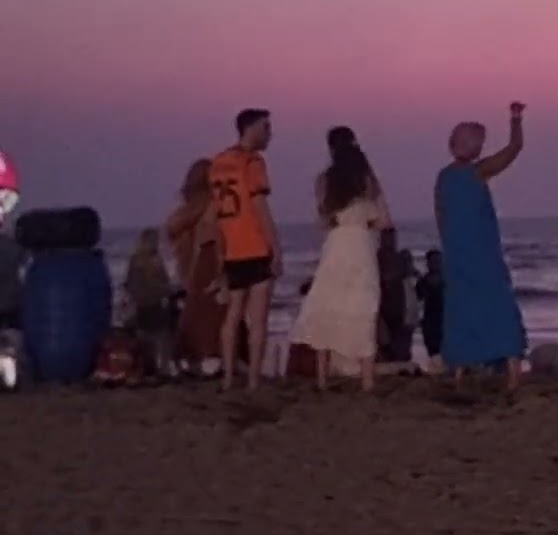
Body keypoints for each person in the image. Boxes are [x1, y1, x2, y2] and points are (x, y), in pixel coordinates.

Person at [436, 102, 528, 391]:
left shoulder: (444, 177)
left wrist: (449, 250)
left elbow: (441, 218)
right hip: (482, 254)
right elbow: (514, 148)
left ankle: (460, 372)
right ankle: (512, 373)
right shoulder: (476, 172)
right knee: (499, 309)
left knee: (462, 312)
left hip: (458, 256)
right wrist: (516, 119)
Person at [290, 142, 391, 392]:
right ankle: (367, 380)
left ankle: (322, 378)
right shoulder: (367, 190)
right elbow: (384, 222)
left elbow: (322, 222)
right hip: (361, 247)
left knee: (326, 305)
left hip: (336, 245)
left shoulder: (329, 190)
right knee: (364, 307)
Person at [209, 108, 281, 392]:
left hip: (232, 246)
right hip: (254, 243)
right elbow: (260, 208)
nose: (270, 134)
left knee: (232, 316)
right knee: (258, 319)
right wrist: (276, 247)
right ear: (250, 128)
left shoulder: (219, 162)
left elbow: (216, 211)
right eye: (266, 128)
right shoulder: (253, 162)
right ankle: (252, 380)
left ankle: (228, 377)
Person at [165, 159, 225, 376]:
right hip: (208, 267)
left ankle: (190, 358)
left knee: (194, 316)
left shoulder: (181, 216)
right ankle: (217, 358)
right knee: (215, 317)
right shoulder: (213, 210)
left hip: (188, 271)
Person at [124, 228, 174, 377]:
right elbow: (163, 284)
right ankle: (163, 368)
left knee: (146, 339)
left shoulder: (135, 259)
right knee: (163, 336)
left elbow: (129, 285)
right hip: (153, 303)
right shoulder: (154, 261)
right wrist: (169, 290)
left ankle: (148, 368)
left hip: (140, 305)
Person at [377, 228, 412, 362]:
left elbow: (409, 276)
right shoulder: (377, 257)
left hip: (399, 305)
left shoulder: (400, 257)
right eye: (387, 237)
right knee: (384, 342)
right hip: (382, 305)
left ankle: (399, 362)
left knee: (399, 340)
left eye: (392, 237)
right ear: (381, 239)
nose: (390, 241)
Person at [415, 249, 445, 372]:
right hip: (431, 320)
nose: (436, 263)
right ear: (428, 263)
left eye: (438, 261)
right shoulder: (424, 280)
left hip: (445, 320)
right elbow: (418, 297)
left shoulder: (448, 279)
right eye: (433, 261)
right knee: (433, 351)